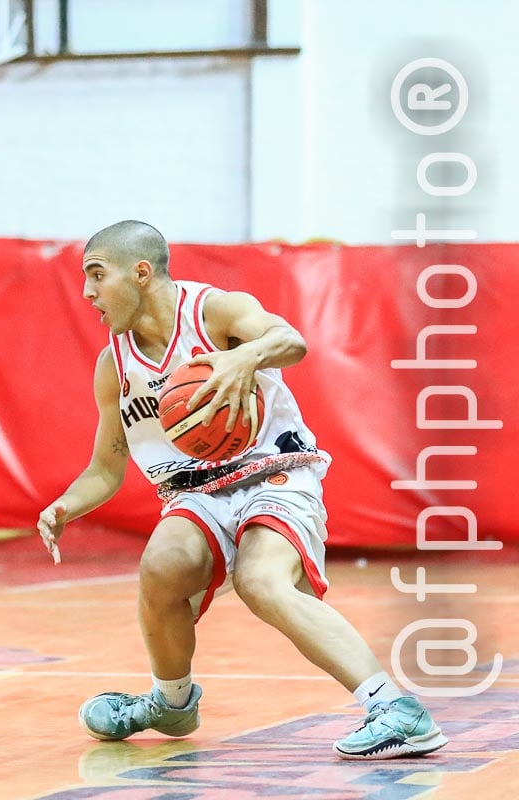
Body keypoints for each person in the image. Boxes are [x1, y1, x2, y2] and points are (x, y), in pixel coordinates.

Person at [36, 220, 447, 761]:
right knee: (161, 566)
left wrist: (241, 357)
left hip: (273, 468)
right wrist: (66, 503)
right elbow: (107, 467)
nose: (87, 292)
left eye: (96, 275)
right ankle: (171, 703)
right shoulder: (115, 365)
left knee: (260, 579)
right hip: (195, 489)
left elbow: (290, 341)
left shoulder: (215, 313)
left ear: (141, 273)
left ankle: (396, 710)